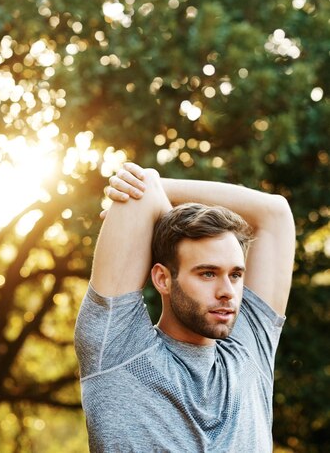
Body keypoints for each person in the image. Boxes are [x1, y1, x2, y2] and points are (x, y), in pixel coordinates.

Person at [75, 162, 295, 453]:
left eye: (236, 275)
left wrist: (159, 185)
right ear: (163, 279)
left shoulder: (250, 351)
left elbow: (276, 212)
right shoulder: (116, 348)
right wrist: (148, 189)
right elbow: (138, 198)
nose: (227, 292)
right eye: (207, 273)